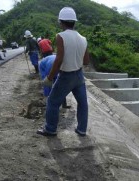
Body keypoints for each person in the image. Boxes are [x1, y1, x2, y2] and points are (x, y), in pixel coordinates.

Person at [37, 7, 89, 137]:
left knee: (52, 102)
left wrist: (49, 78)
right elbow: (86, 61)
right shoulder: (83, 38)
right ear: (74, 22)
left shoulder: (60, 36)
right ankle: (82, 130)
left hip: (66, 76)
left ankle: (50, 129)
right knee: (83, 104)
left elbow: (59, 59)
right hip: (79, 75)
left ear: (61, 22)